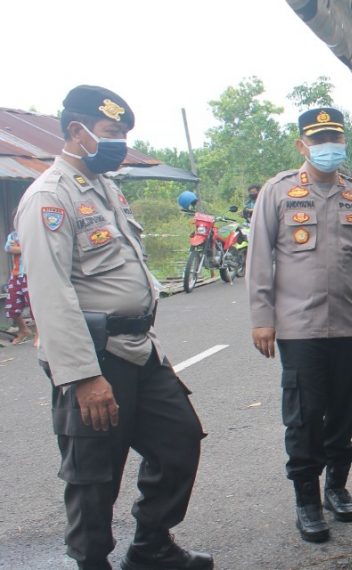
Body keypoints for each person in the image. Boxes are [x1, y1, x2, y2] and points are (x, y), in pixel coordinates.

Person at [15, 85, 212, 570]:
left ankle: (150, 546)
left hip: (141, 348)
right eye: (110, 132)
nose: (119, 143)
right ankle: (91, 561)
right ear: (76, 131)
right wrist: (84, 376)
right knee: (94, 473)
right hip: (94, 356)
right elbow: (51, 294)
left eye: (124, 134)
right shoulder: (50, 197)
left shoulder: (106, 189)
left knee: (179, 440)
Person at [246, 107, 352, 544]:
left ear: (343, 142)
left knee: (347, 409)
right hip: (299, 329)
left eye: (335, 138)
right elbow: (259, 260)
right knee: (306, 416)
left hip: (349, 325)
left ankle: (336, 486)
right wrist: (262, 318)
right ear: (302, 145)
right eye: (318, 139)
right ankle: (307, 500)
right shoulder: (278, 192)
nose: (328, 146)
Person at [5, 223, 34, 345]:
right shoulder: (13, 235)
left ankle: (40, 333)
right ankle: (24, 330)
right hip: (16, 274)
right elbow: (8, 248)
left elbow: (35, 249)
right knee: (11, 306)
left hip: (31, 274)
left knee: (34, 306)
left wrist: (19, 248)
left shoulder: (33, 233)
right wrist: (24, 249)